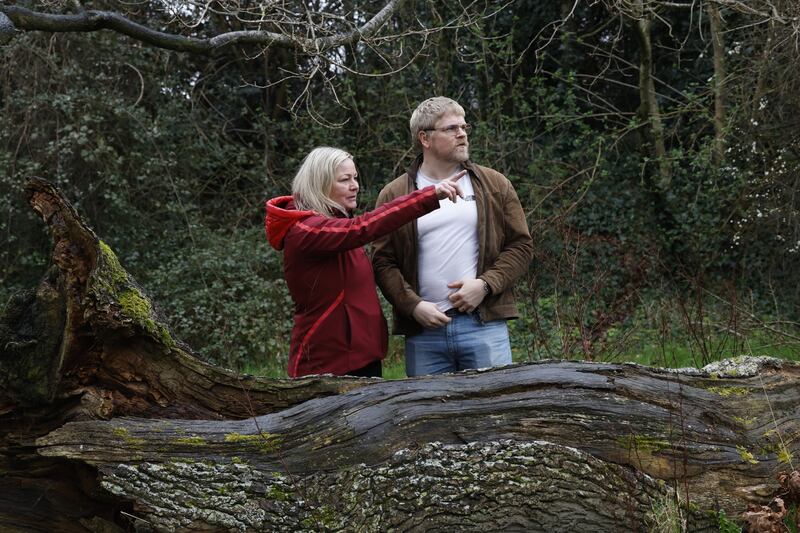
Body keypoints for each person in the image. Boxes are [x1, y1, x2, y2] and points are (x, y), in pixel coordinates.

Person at [264, 146, 464, 378]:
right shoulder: (307, 230)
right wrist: (428, 195)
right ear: (320, 184)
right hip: (327, 362)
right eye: (344, 179)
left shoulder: (333, 223)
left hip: (362, 354)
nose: (355, 186)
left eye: (355, 178)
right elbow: (362, 227)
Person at [372, 97, 533, 376]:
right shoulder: (396, 194)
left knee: (493, 411)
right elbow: (382, 261)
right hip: (425, 331)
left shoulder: (495, 184)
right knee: (429, 415)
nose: (462, 134)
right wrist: (413, 306)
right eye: (451, 128)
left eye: (464, 126)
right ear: (425, 138)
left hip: (483, 324)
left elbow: (521, 246)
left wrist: (484, 285)